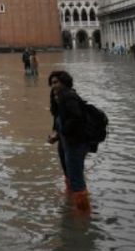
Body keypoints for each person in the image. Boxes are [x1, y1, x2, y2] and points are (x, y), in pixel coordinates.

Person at [47, 70, 90, 212]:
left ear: (64, 82)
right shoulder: (56, 96)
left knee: (76, 177)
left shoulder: (69, 96)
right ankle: (71, 196)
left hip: (75, 142)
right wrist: (56, 134)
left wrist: (61, 132)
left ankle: (83, 212)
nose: (54, 86)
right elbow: (58, 118)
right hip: (65, 141)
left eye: (56, 82)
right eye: (52, 83)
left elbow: (76, 118)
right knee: (67, 171)